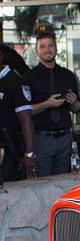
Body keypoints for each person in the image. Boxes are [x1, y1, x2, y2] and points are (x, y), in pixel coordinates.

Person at [24, 32, 80, 177]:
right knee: (43, 185)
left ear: (56, 48)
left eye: (50, 45)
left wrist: (74, 102)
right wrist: (47, 104)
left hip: (65, 139)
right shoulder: (29, 77)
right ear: (37, 50)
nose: (47, 49)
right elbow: (25, 112)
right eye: (42, 46)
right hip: (42, 139)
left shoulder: (68, 75)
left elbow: (77, 109)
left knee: (65, 183)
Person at [0, 49, 36, 183]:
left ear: (1, 55)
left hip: (8, 151)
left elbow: (26, 119)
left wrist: (29, 153)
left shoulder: (14, 81)